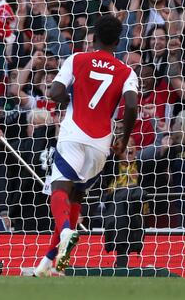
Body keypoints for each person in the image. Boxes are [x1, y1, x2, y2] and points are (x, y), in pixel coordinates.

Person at [34, 15, 139, 277]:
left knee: (59, 190)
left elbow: (54, 93)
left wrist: (75, 94)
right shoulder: (127, 71)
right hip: (101, 144)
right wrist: (123, 140)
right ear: (117, 41)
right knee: (77, 195)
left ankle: (68, 232)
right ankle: (49, 264)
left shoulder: (77, 59)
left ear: (93, 36)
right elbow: (132, 105)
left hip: (73, 134)